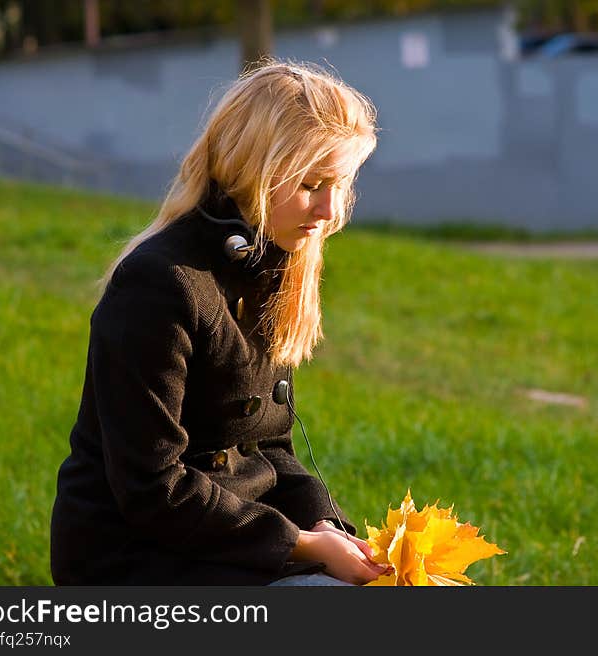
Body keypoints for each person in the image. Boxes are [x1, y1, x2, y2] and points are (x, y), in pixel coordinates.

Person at [50, 60, 387, 586]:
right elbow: (151, 488)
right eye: (311, 184)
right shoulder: (159, 285)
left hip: (227, 540)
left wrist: (326, 526)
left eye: (339, 185)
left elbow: (266, 446)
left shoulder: (268, 262)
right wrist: (300, 546)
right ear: (254, 171)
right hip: (136, 562)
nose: (328, 209)